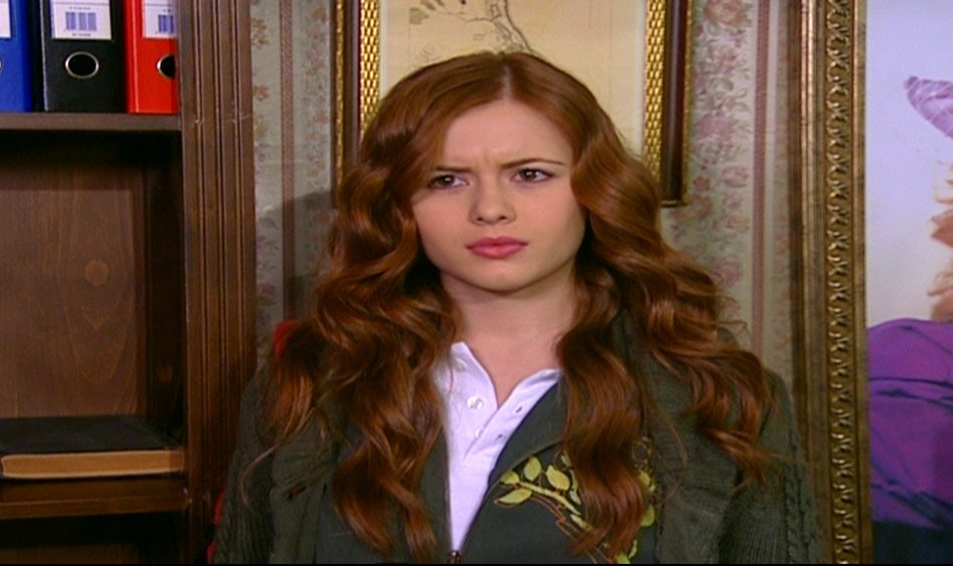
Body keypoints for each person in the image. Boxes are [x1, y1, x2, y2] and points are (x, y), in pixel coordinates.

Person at [212, 51, 821, 563]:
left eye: (530, 174)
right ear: (398, 204)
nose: (490, 209)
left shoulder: (721, 395)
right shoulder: (308, 381)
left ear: (595, 188)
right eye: (446, 180)